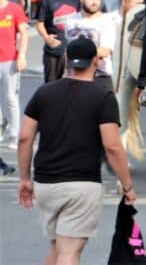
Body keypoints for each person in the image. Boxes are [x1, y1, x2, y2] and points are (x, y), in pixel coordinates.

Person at [17, 37, 136, 265]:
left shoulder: (44, 93)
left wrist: (24, 179)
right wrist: (127, 185)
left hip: (45, 184)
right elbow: (112, 146)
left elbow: (24, 138)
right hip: (82, 185)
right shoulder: (103, 97)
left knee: (57, 247)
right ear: (96, 61)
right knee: (69, 252)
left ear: (66, 59)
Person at [64, 0, 117, 93]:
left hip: (100, 76)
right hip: (74, 75)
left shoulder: (107, 21)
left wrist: (79, 51)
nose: (95, 2)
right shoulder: (71, 20)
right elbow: (68, 50)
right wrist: (65, 72)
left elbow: (105, 51)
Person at [36, 0, 80, 82]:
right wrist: (46, 38)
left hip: (73, 52)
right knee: (51, 87)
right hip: (53, 52)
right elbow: (40, 23)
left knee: (71, 87)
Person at [0, 0, 28, 150]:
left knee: (10, 97)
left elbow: (24, 33)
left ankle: (14, 134)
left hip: (9, 59)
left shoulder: (14, 9)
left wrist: (21, 56)